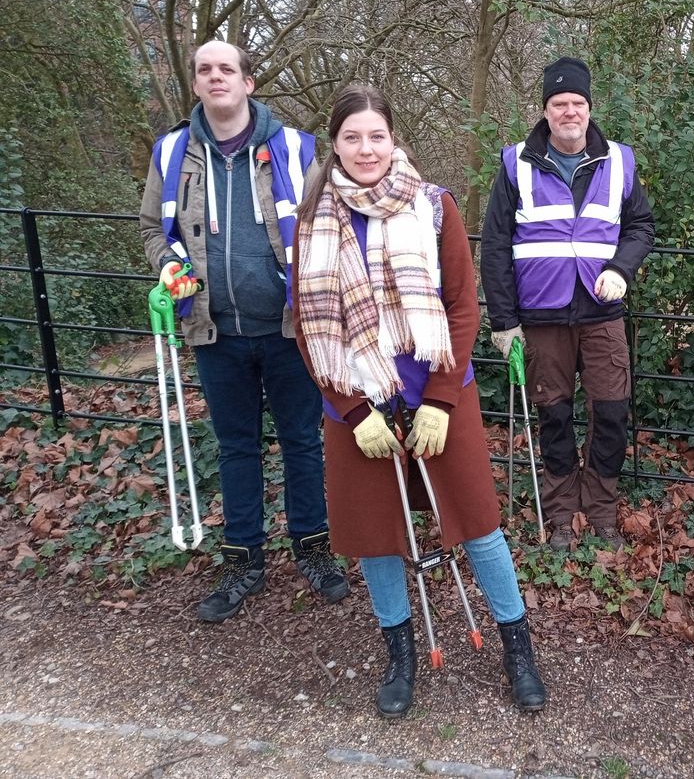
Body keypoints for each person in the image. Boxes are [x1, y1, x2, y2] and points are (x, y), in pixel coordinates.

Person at [291, 84, 546, 717]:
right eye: (352, 137)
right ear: (335, 145)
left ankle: (518, 648)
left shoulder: (434, 208)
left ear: (394, 139)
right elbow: (305, 323)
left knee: (479, 523)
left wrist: (438, 399)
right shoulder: (310, 220)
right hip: (357, 404)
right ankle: (399, 652)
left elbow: (462, 306)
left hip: (438, 394)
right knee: (379, 535)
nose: (366, 148)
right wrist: (352, 410)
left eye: (377, 135)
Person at [140, 40, 348, 622]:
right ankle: (243, 560)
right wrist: (167, 266)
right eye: (203, 69)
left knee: (304, 442)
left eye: (226, 68)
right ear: (195, 82)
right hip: (215, 331)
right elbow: (151, 229)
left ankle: (313, 549)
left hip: (287, 329)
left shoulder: (292, 147)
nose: (214, 77)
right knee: (236, 448)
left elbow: (324, 228)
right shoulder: (172, 152)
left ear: (248, 82)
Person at [480, 57, 654, 551]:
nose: (569, 111)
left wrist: (621, 269)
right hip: (541, 317)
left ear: (589, 108)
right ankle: (559, 512)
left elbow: (641, 226)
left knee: (613, 412)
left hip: (602, 314)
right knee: (553, 415)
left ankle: (600, 509)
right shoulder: (516, 162)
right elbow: (495, 244)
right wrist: (503, 320)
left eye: (578, 103)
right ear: (546, 111)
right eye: (560, 104)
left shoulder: (619, 160)